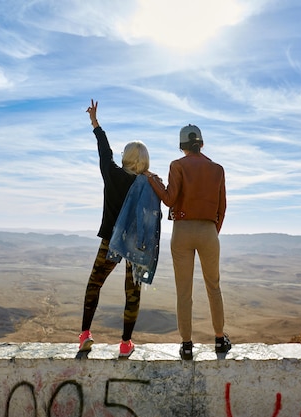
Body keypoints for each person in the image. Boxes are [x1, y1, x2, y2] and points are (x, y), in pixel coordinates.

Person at [147, 124, 230, 360]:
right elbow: (222, 206)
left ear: (182, 145)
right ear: (201, 143)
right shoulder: (217, 169)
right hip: (208, 231)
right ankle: (220, 339)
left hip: (182, 231)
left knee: (184, 292)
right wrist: (213, 230)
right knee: (213, 286)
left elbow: (169, 199)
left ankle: (186, 345)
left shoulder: (178, 165)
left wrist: (153, 180)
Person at [79, 99, 151, 358]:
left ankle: (85, 335)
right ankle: (125, 343)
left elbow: (104, 152)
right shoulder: (147, 183)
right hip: (136, 244)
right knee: (132, 292)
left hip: (111, 239)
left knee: (94, 284)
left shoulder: (112, 174)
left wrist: (96, 124)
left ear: (126, 157)